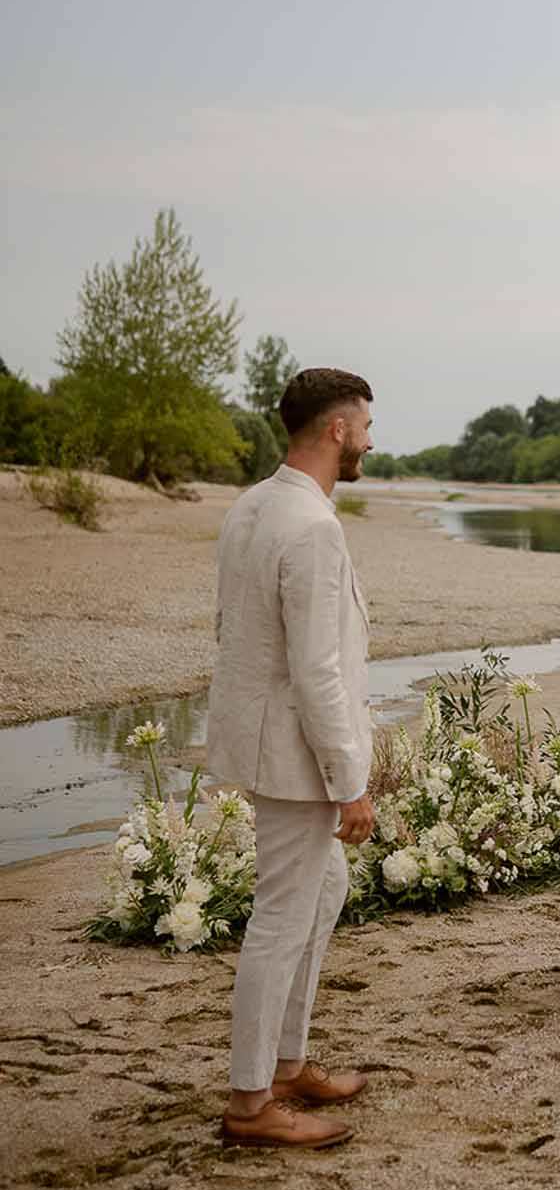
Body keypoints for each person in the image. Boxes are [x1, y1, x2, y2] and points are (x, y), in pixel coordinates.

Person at [209, 368, 377, 1147]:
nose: (371, 441)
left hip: (265, 737)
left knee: (325, 889)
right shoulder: (310, 526)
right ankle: (250, 1104)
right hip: (294, 754)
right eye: (365, 427)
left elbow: (232, 628)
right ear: (337, 430)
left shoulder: (253, 503)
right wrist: (350, 783)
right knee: (280, 916)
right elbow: (318, 669)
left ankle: (287, 1061)